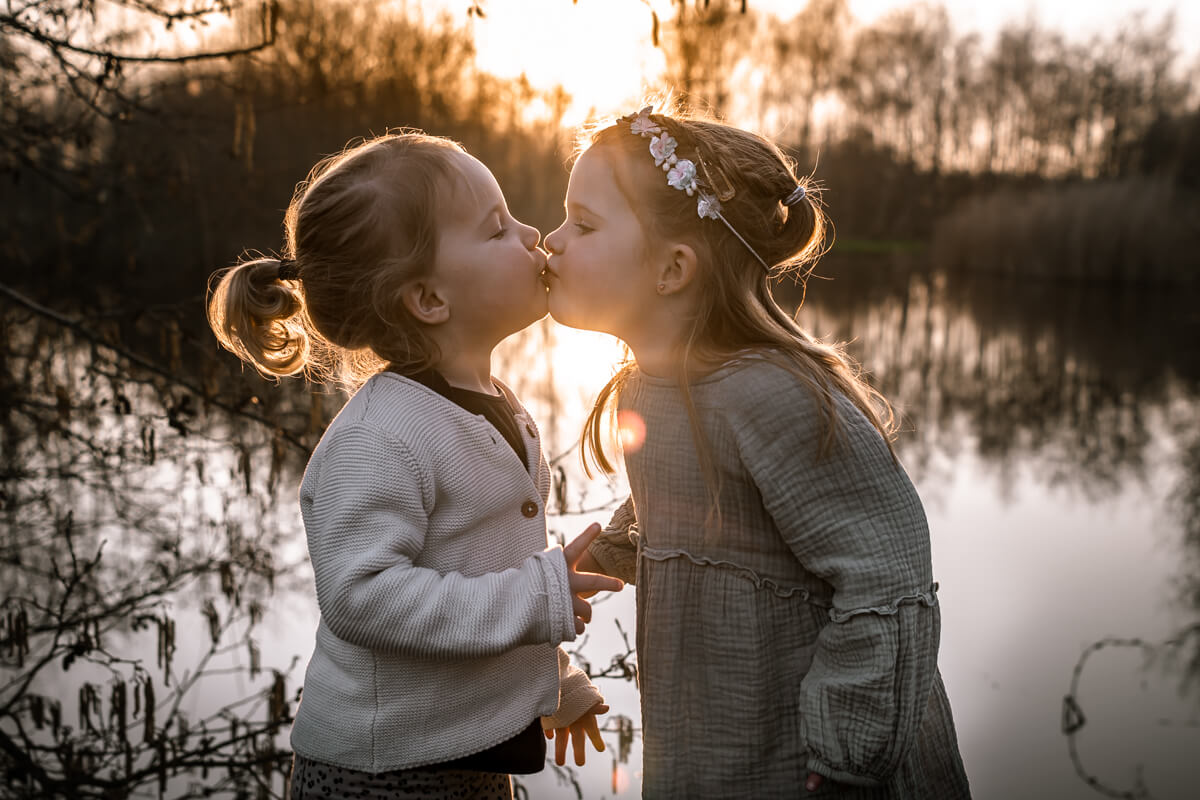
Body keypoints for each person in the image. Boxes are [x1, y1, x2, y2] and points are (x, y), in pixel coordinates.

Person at [542, 105, 972, 798]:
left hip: (812, 764)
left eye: (583, 225)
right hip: (718, 744)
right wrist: (587, 562)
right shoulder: (650, 390)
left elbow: (888, 576)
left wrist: (843, 764)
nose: (550, 241)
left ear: (673, 269)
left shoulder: (771, 395)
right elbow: (696, 504)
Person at [206, 131, 623, 799]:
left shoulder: (497, 408)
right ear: (428, 299)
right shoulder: (381, 438)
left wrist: (555, 681)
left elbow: (481, 573)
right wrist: (533, 598)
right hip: (381, 774)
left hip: (470, 758)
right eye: (496, 229)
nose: (531, 234)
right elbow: (363, 598)